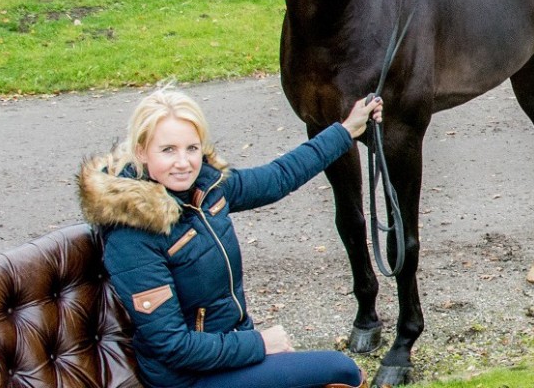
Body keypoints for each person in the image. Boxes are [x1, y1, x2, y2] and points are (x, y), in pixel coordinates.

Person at [78, 86, 383, 388]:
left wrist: (346, 131)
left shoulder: (206, 189)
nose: (184, 163)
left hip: (229, 352)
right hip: (187, 378)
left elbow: (278, 178)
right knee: (342, 370)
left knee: (334, 371)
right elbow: (171, 345)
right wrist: (260, 344)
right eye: (168, 150)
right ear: (142, 151)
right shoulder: (132, 234)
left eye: (192, 148)